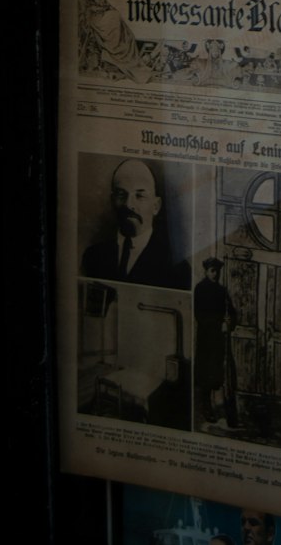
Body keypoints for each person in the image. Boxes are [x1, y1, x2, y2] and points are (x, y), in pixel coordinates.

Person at [81, 158, 188, 287]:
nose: (129, 205)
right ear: (112, 200)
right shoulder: (92, 256)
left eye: (140, 196)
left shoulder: (177, 267)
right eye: (121, 195)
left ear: (156, 206)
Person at [194, 256, 238, 423]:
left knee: (218, 374)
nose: (215, 274)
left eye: (217, 271)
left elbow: (232, 312)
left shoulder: (222, 291)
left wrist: (230, 322)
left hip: (219, 341)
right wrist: (218, 323)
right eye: (212, 271)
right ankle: (207, 407)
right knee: (206, 376)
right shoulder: (199, 289)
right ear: (206, 271)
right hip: (207, 339)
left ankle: (221, 407)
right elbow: (200, 315)